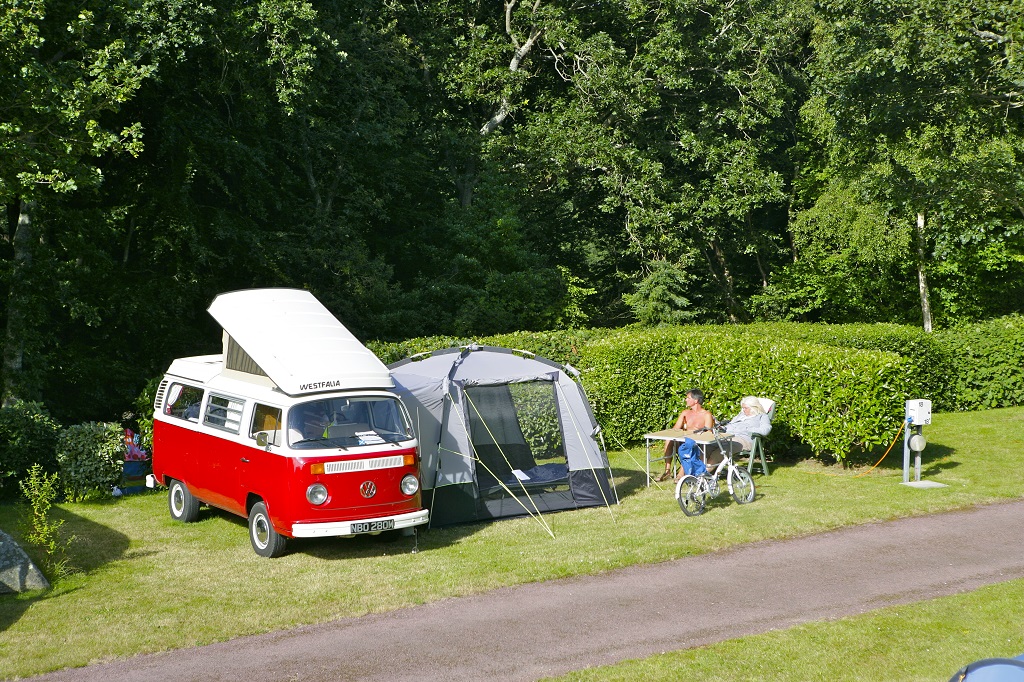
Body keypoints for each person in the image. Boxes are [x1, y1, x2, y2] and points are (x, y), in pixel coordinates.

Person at [656, 388, 714, 482]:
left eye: (688, 398)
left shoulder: (706, 414)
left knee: (688, 445)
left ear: (695, 401)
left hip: (697, 443)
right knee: (668, 440)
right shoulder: (685, 413)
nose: (686, 400)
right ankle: (667, 471)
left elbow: (708, 433)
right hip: (683, 439)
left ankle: (681, 474)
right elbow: (675, 429)